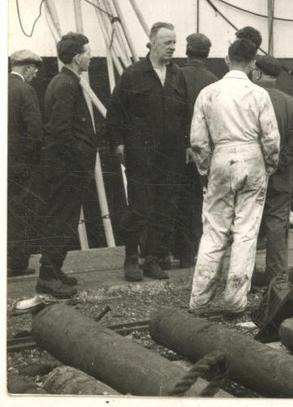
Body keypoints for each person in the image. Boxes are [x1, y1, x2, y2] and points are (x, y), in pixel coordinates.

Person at [188, 36, 280, 315]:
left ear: (227, 59)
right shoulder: (259, 94)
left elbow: (198, 141)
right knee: (246, 233)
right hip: (252, 159)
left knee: (213, 232)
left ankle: (199, 300)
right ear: (253, 64)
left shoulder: (208, 93)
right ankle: (235, 301)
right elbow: (272, 140)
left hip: (220, 159)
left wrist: (205, 170)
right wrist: (269, 165)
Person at [106, 22, 189, 281]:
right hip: (141, 156)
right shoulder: (133, 74)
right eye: (167, 43)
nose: (172, 48)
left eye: (175, 43)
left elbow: (186, 113)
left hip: (171, 156)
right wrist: (118, 143)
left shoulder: (177, 75)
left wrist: (188, 144)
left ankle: (152, 258)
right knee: (140, 208)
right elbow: (115, 112)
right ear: (151, 42)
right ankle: (131, 259)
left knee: (165, 208)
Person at [35, 33, 95, 299]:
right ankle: (47, 276)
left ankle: (54, 270)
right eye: (87, 51)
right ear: (77, 56)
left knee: (64, 219)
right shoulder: (65, 84)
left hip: (67, 166)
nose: (91, 56)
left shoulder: (66, 81)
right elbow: (61, 131)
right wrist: (80, 157)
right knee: (61, 219)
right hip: (66, 168)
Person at [253, 52, 293, 298]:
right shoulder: (291, 103)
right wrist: (279, 164)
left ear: (258, 72)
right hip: (281, 175)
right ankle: (276, 277)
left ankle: (248, 275)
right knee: (276, 224)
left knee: (247, 224)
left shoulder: (249, 99)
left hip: (252, 174)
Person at [172, 33, 218, 267]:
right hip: (202, 152)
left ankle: (169, 250)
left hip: (174, 149)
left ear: (186, 50)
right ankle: (189, 253)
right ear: (207, 53)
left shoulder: (175, 74)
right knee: (195, 201)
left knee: (172, 198)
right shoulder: (213, 80)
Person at [8, 49, 43, 277]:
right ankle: (18, 264)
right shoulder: (25, 90)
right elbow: (35, 131)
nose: (36, 74)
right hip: (21, 165)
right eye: (34, 69)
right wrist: (35, 159)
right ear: (27, 68)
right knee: (20, 212)